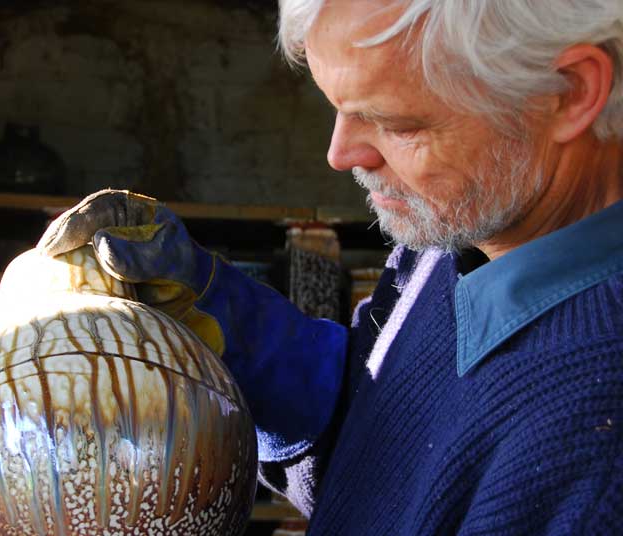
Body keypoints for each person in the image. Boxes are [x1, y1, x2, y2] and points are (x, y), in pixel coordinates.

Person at [38, 1, 623, 533]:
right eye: (339, 107)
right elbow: (377, 449)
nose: (341, 155)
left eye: (397, 124)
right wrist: (219, 312)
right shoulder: (454, 237)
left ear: (567, 91)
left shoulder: (595, 449)